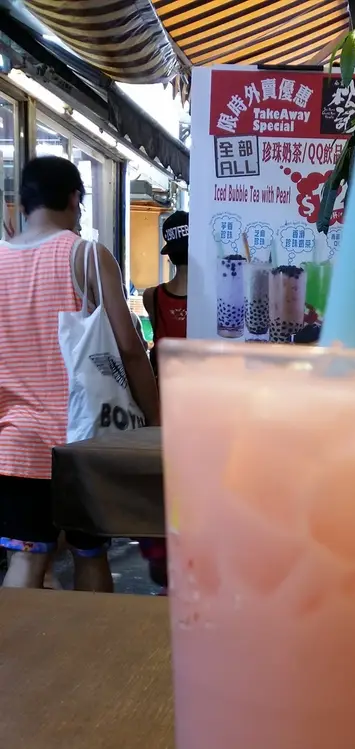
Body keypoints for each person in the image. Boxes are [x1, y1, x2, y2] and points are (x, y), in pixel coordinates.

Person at [0, 156, 160, 590]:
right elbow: (130, 349)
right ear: (75, 199)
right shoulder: (86, 255)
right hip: (83, 444)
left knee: (26, 559)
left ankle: (16, 639)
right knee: (90, 555)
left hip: (16, 447)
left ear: (22, 203)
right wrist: (155, 420)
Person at [139, 210, 189, 593]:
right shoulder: (214, 295)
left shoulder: (152, 297)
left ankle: (165, 567)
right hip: (202, 408)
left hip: (165, 406)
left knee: (165, 488)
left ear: (169, 253)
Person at [143, 210, 188, 373]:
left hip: (164, 385)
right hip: (200, 385)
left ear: (170, 255)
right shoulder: (210, 299)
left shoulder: (152, 297)